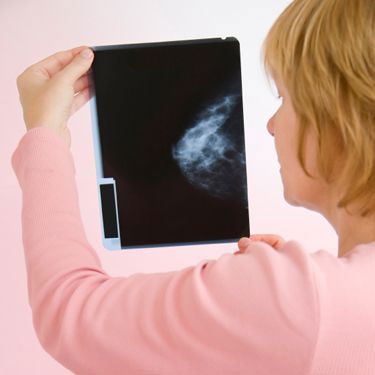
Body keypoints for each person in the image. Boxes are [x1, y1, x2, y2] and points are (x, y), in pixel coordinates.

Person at [11, 0, 374, 374]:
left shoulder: (302, 299)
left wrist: (44, 135)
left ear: (340, 113)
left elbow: (70, 313)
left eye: (284, 97)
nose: (271, 124)